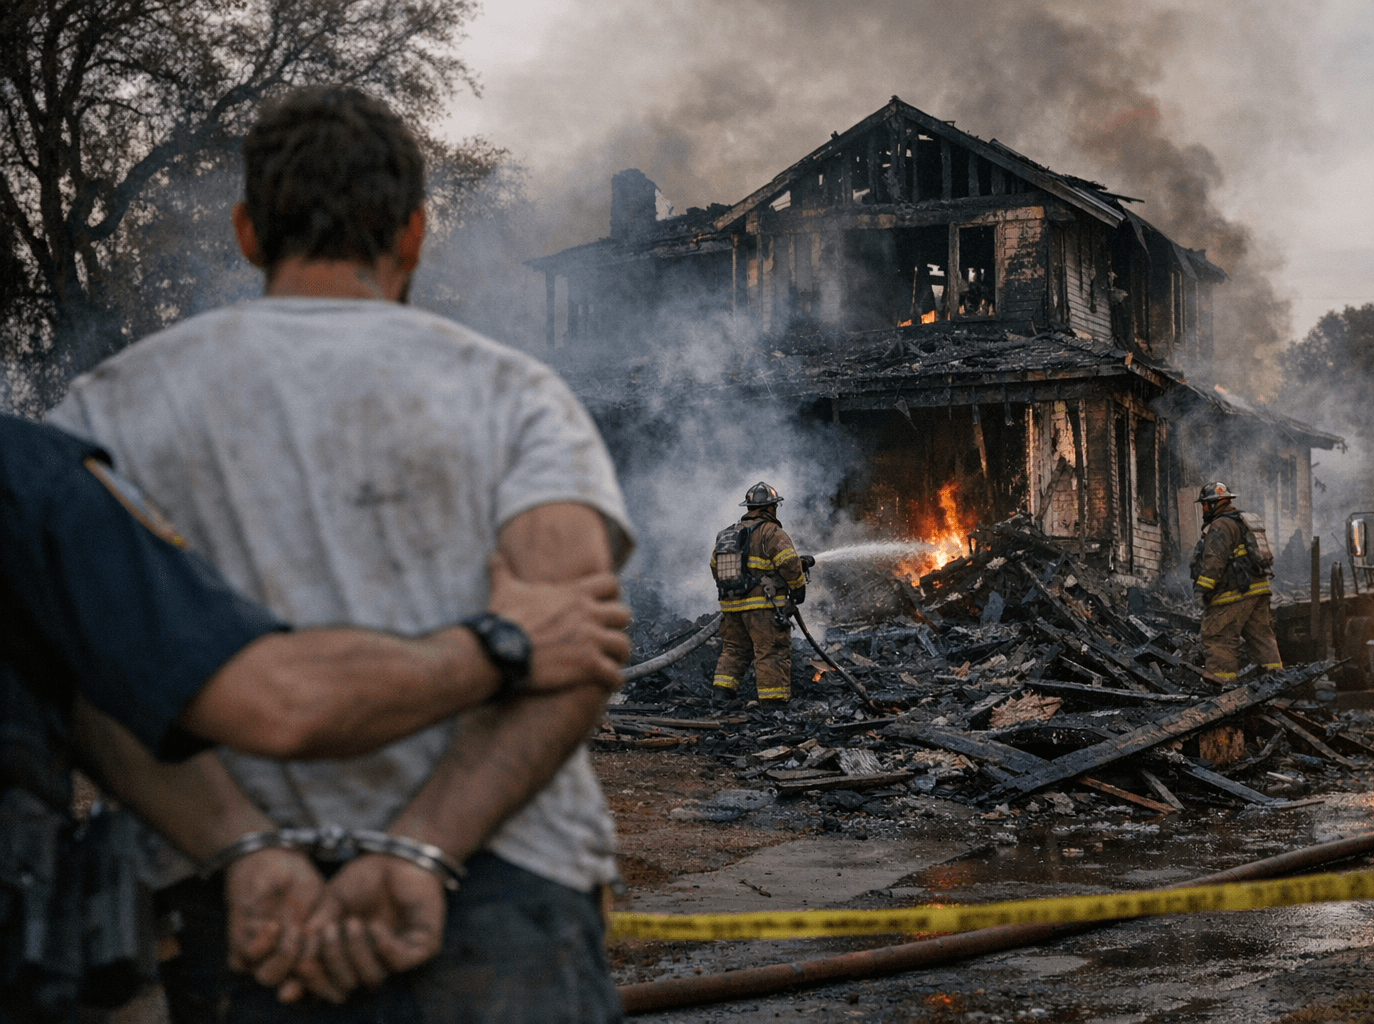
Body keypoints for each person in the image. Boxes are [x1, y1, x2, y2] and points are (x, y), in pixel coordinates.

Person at [47, 86, 634, 1022]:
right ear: (413, 232)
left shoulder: (109, 409)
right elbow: (578, 645)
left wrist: (244, 849)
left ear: (247, 231)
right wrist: (422, 849)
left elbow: (90, 675)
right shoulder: (516, 396)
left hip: (236, 912)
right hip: (500, 896)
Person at [0, 413, 632, 1020]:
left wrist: (239, 847)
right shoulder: (29, 474)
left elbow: (102, 698)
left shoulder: (78, 431)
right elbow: (276, 702)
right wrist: (508, 643)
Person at [709, 482, 808, 703]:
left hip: (731, 607)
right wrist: (798, 587)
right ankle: (774, 707)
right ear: (771, 507)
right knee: (771, 652)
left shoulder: (728, 534)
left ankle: (721, 696)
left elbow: (715, 566)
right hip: (762, 609)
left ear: (749, 507)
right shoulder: (770, 532)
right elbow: (789, 563)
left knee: (733, 650)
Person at [1189, 482, 1283, 683]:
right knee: (1261, 638)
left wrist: (1202, 591)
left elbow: (1213, 562)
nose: (1203, 509)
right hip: (1258, 591)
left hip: (1233, 594)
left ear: (1214, 504)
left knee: (1218, 636)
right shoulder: (1242, 521)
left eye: (1205, 505)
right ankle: (1274, 683)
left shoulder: (1220, 526)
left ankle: (1220, 686)